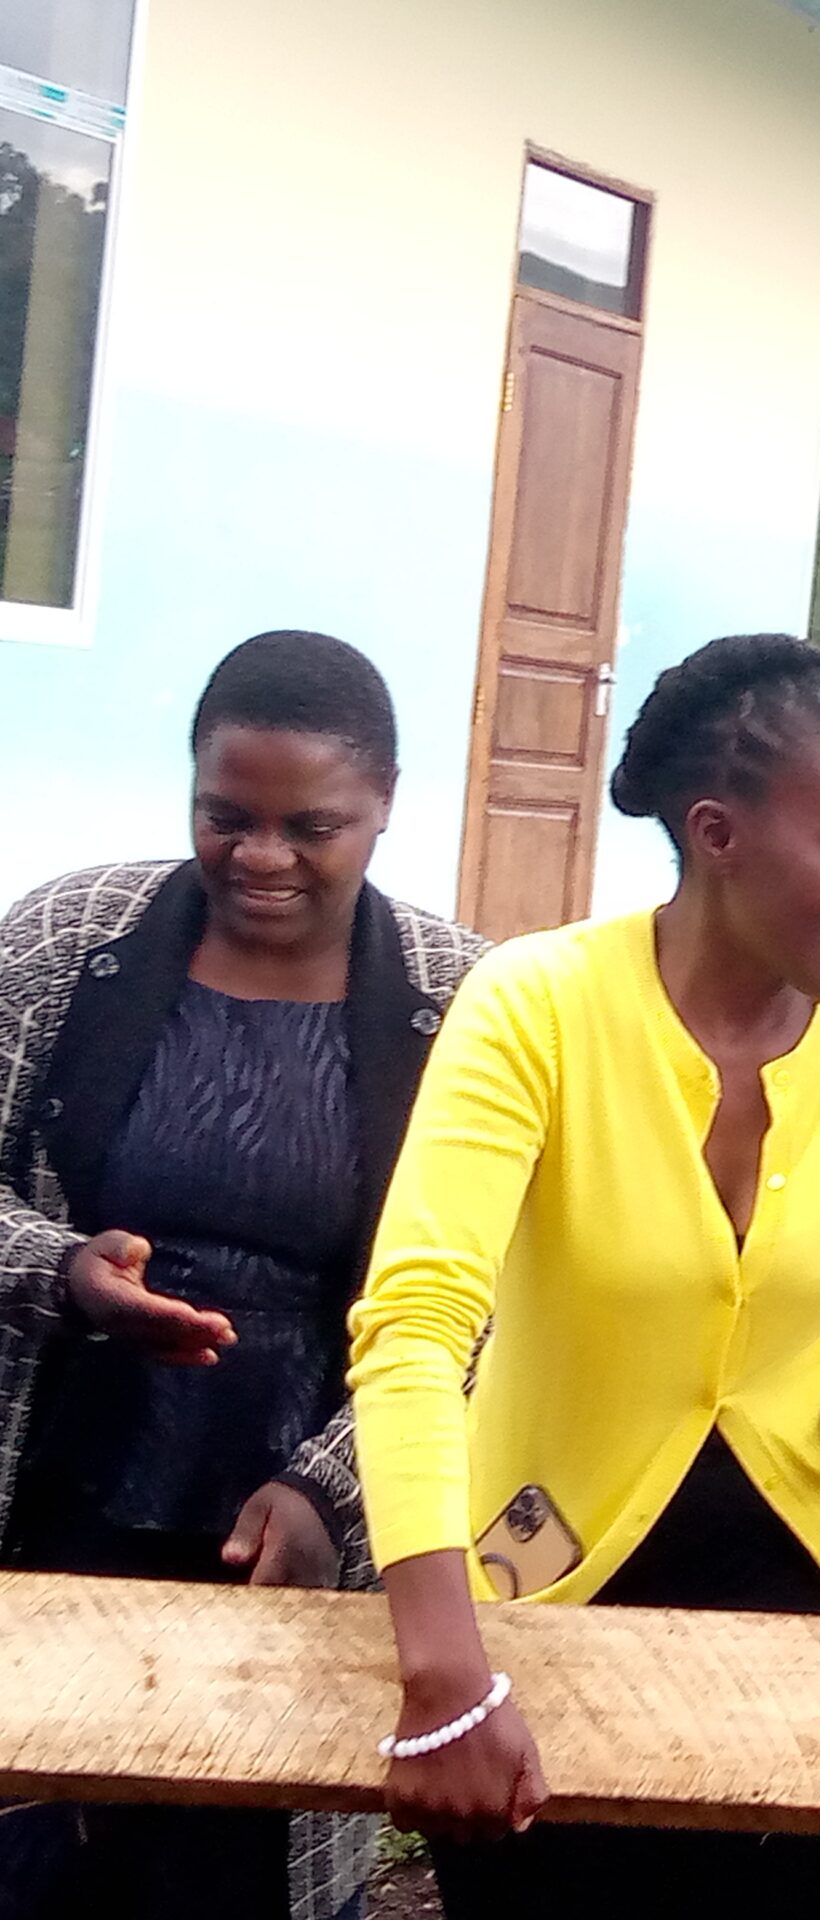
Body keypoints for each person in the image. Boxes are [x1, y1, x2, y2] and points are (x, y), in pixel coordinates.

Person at [346, 634, 820, 1917]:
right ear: (718, 834)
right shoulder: (535, 1006)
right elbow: (418, 1327)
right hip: (544, 1596)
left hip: (805, 1614)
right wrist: (445, 1667)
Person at [0, 629, 483, 1920]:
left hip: (297, 1524)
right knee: (43, 1848)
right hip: (65, 1495)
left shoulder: (460, 1002)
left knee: (245, 1868)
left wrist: (334, 1487)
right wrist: (63, 1270)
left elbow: (485, 1296)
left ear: (385, 803)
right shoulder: (67, 942)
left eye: (310, 826)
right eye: (227, 817)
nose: (262, 857)